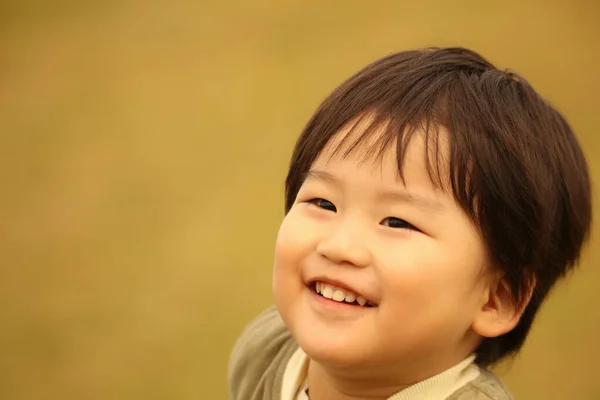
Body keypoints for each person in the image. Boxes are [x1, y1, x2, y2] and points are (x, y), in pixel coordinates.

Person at [228, 47, 592, 400]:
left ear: (496, 299)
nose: (340, 246)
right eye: (323, 202)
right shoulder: (265, 353)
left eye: (398, 222)